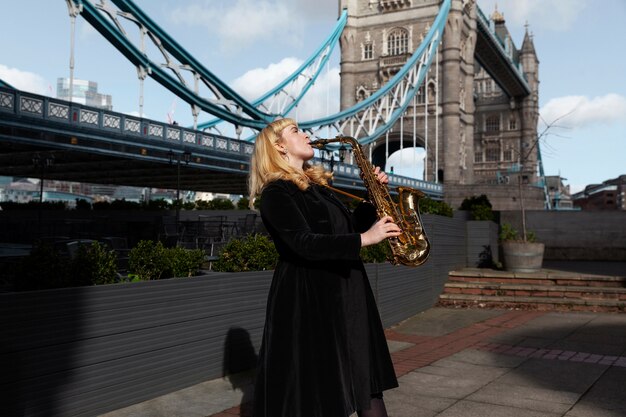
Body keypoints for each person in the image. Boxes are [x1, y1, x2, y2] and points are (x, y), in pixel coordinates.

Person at [249, 118, 401, 417]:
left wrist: (373, 197)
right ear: (278, 146)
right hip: (310, 298)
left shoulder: (319, 187)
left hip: (347, 290)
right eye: (296, 131)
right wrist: (366, 238)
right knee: (320, 392)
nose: (307, 134)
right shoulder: (276, 193)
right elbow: (303, 243)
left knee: (365, 382)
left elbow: (346, 229)